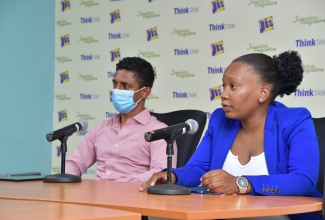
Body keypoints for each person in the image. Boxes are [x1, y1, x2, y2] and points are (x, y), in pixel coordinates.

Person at [139, 51, 321, 220]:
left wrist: (241, 183)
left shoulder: (294, 120)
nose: (223, 94)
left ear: (263, 93)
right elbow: (199, 168)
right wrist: (173, 177)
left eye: (233, 86)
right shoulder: (219, 120)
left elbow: (304, 180)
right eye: (223, 86)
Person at [65, 56, 177, 182]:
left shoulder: (160, 132)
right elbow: (74, 163)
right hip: (96, 197)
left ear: (144, 92)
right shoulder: (100, 128)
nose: (116, 90)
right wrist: (69, 182)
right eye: (115, 84)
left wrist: (118, 185)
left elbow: (161, 174)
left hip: (133, 198)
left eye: (125, 86)